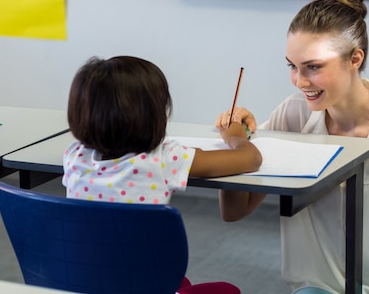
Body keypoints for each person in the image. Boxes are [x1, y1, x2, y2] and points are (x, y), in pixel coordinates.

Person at [216, 0, 369, 294]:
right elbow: (234, 211)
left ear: (355, 59)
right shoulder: (291, 117)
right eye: (292, 65)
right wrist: (236, 139)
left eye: (313, 67)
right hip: (323, 289)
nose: (300, 81)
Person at [63, 55, 262, 294]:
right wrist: (235, 134)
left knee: (180, 281)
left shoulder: (74, 156)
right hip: (145, 286)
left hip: (87, 283)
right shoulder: (163, 159)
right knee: (228, 290)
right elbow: (250, 160)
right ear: (154, 115)